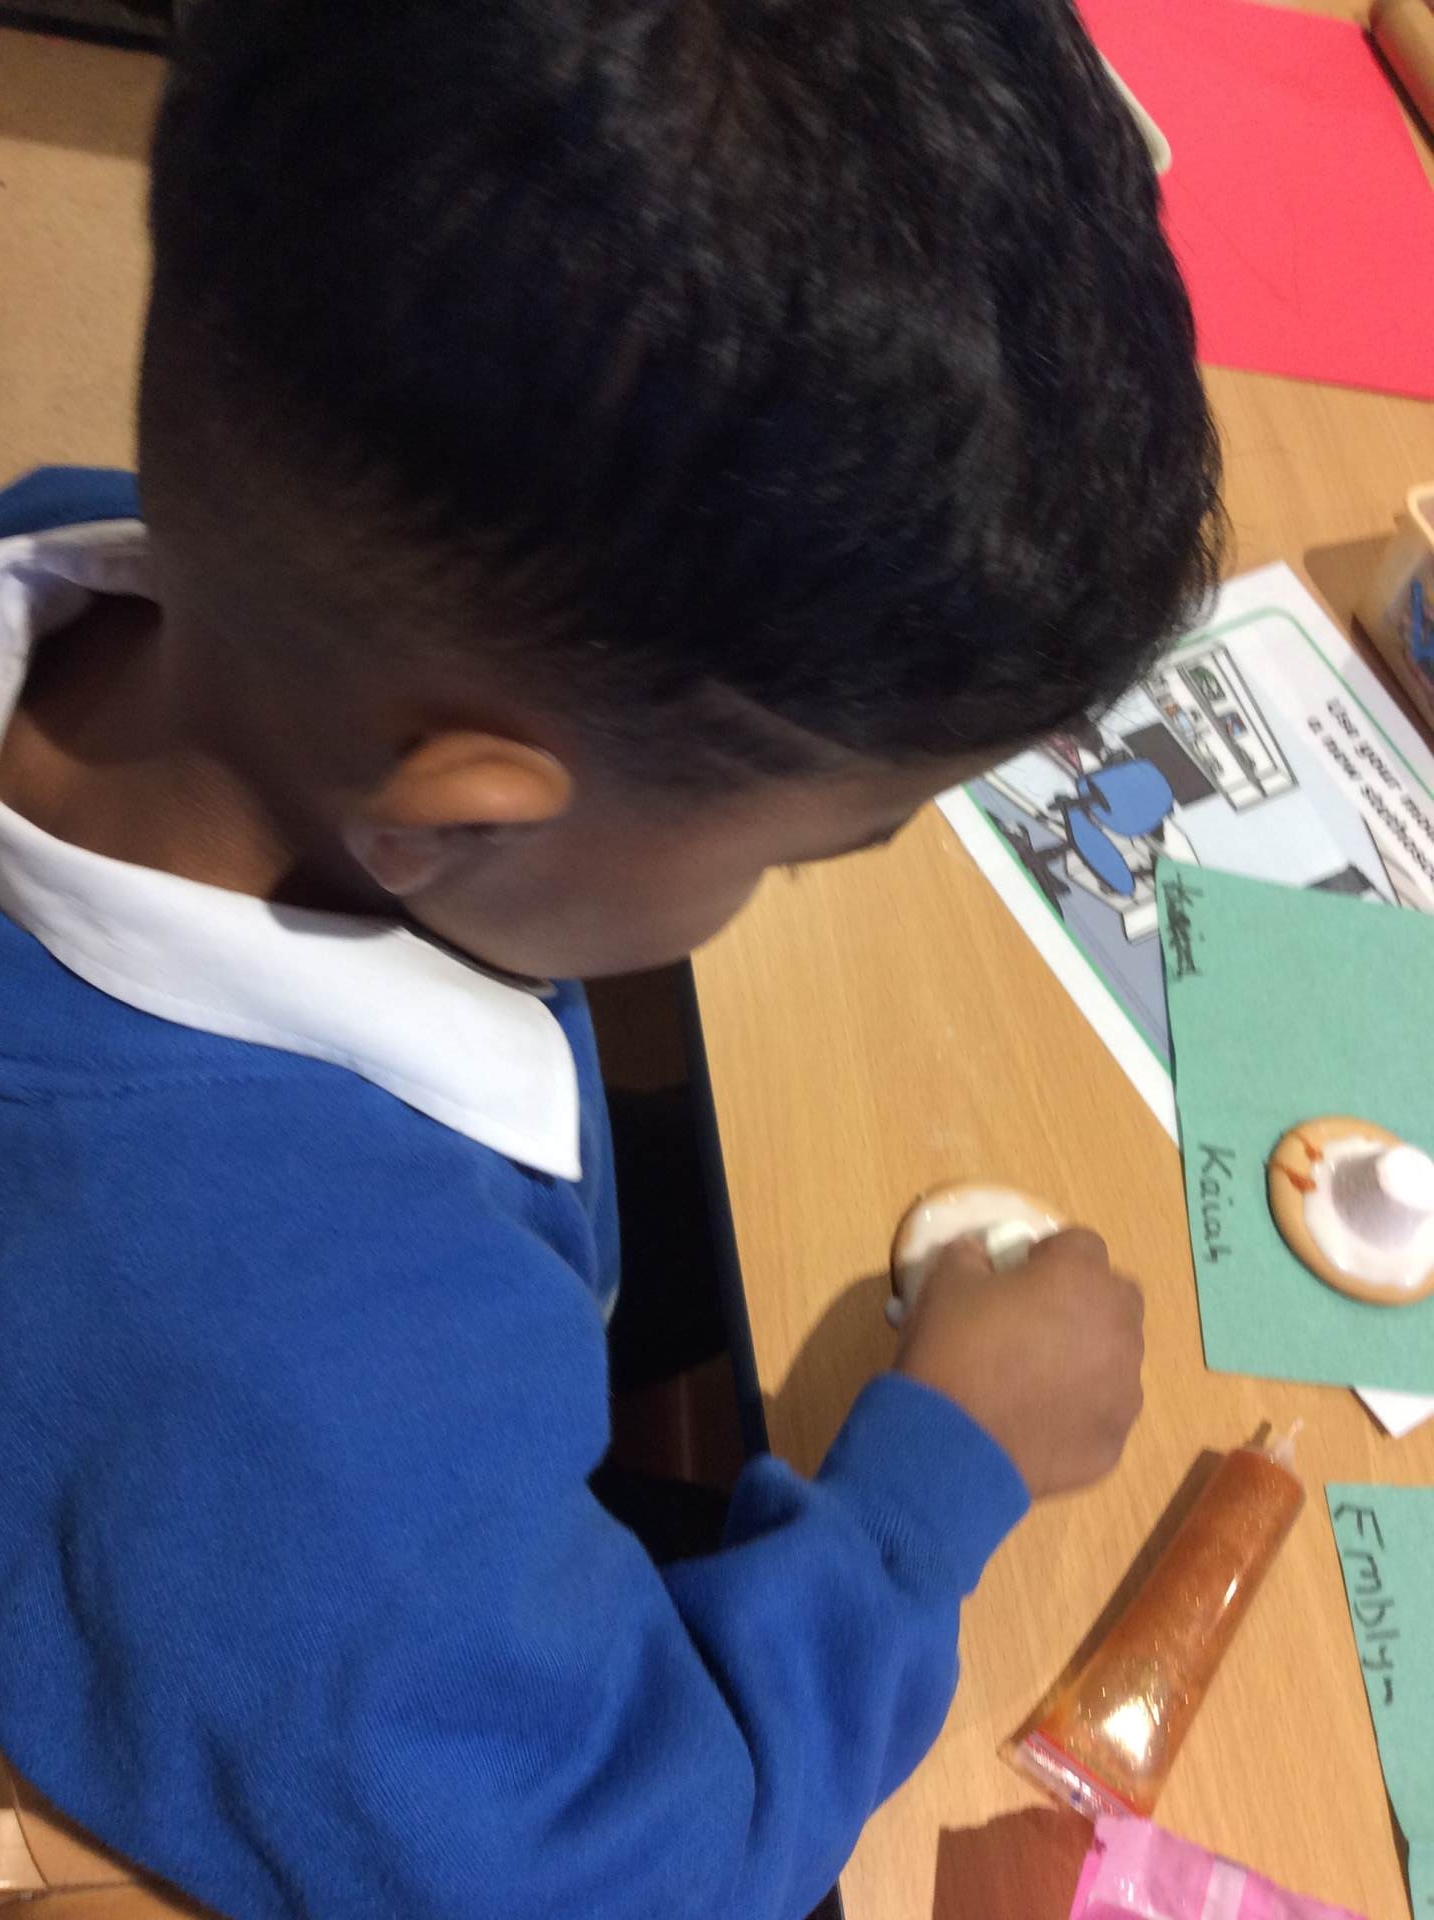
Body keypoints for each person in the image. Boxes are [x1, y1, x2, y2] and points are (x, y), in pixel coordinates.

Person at [0, 1, 1220, 1915]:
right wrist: (935, 1484)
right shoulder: (315, 1406)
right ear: (458, 816)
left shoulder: (101, 557)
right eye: (814, 848)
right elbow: (619, 1871)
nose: (811, 873)